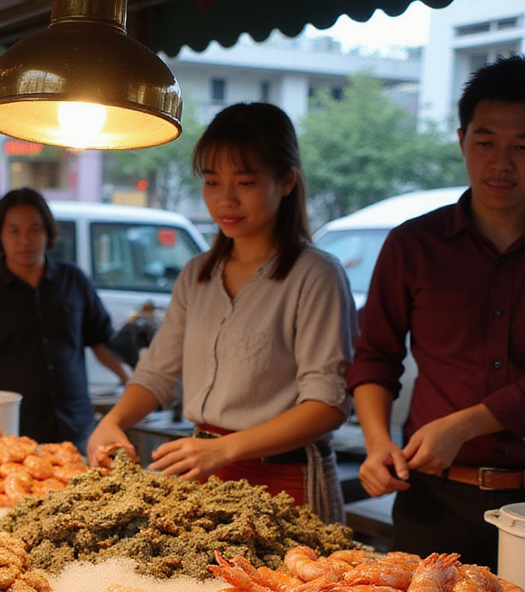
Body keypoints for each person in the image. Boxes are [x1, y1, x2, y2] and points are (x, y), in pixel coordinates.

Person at [87, 102, 355, 522]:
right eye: (212, 182)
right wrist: (113, 422)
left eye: (245, 182)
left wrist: (225, 448)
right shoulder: (197, 274)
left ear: (286, 181)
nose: (225, 199)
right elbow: (157, 375)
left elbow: (327, 405)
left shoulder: (315, 275)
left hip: (287, 479)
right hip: (203, 473)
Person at [348, 54, 525, 570]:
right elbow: (375, 356)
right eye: (486, 142)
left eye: (524, 146)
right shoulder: (412, 244)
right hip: (433, 499)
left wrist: (466, 425)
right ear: (461, 141)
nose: (502, 162)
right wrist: (378, 444)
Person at [0, 187, 131, 447]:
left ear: (48, 233)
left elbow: (100, 340)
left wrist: (129, 381)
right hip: (12, 430)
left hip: (77, 425)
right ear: (0, 235)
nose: (25, 240)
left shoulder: (73, 280)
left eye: (34, 230)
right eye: (14, 231)